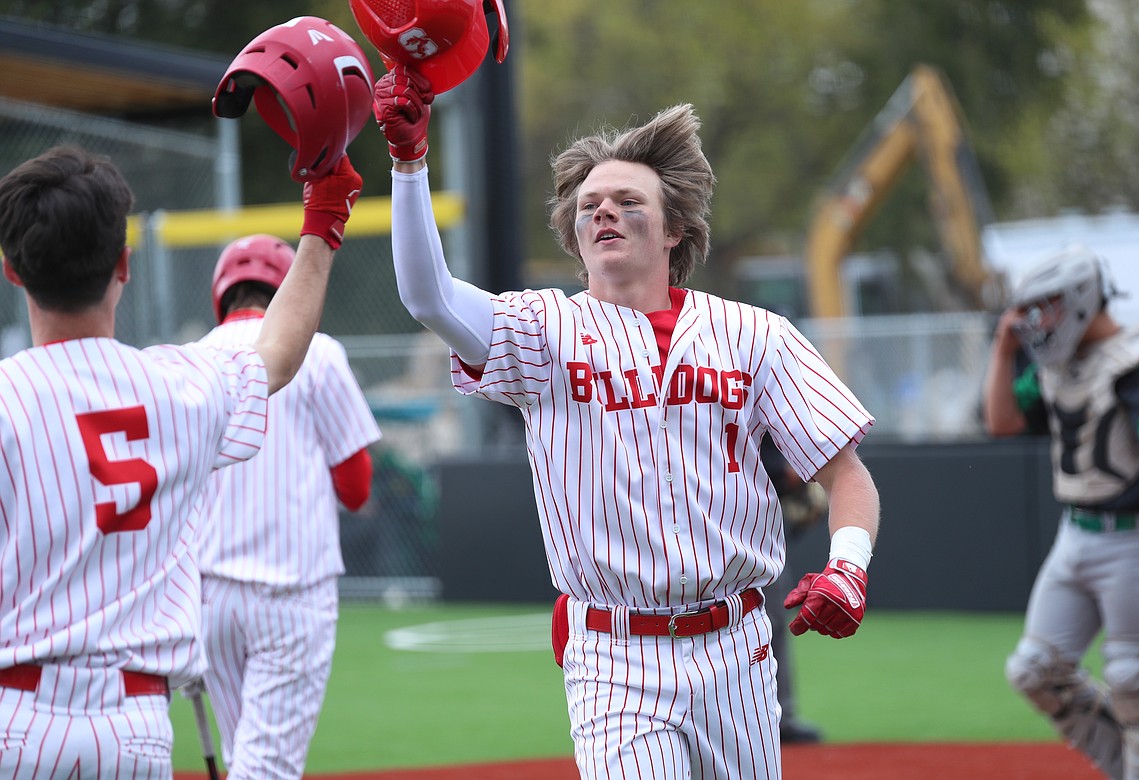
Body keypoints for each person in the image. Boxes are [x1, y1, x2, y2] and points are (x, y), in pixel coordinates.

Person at [374, 66, 881, 778]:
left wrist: (848, 567)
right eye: (589, 207)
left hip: (737, 645)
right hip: (615, 653)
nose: (603, 212)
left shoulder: (755, 334)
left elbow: (845, 472)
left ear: (675, 228)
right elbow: (427, 296)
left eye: (626, 201)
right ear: (575, 239)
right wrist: (409, 161)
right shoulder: (543, 329)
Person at [0, 144, 361, 776]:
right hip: (133, 726)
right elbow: (278, 349)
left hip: (16, 717)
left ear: (12, 270)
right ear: (124, 265)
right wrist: (324, 216)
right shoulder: (180, 386)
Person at [192, 234, 382, 779]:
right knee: (267, 767)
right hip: (291, 594)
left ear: (221, 294)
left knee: (243, 760)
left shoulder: (187, 361)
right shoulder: (318, 353)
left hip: (208, 601)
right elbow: (357, 487)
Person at [982, 244, 1139, 780]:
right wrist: (1001, 351)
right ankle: (1137, 761)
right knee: (1034, 672)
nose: (1039, 320)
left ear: (1084, 299)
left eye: (1049, 305)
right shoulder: (1057, 365)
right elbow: (1002, 422)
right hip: (1077, 534)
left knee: (1134, 677)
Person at [759, 435, 827, 744]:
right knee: (766, 623)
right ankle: (779, 718)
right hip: (748, 536)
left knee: (767, 623)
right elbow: (784, 471)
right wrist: (802, 479)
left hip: (754, 526)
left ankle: (778, 716)